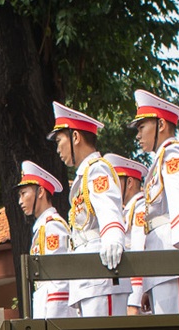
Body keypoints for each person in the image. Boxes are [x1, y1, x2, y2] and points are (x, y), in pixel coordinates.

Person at [127, 88, 179, 314]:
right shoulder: (160, 160)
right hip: (161, 263)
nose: (138, 135)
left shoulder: (173, 153)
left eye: (142, 127)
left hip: (175, 258)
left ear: (161, 125)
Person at [52, 102, 128, 316]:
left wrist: (113, 239)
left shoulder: (97, 170)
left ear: (75, 137)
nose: (58, 149)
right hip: (89, 275)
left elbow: (108, 208)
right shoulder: (84, 175)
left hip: (103, 271)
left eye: (59, 141)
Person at [18, 160, 72, 318]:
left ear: (40, 191)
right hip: (44, 302)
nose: (20, 201)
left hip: (54, 310)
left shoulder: (52, 226)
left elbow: (58, 277)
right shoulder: (43, 226)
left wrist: (53, 317)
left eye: (24, 193)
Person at [105, 151, 149, 313]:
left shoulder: (140, 208)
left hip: (135, 296)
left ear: (129, 182)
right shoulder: (126, 212)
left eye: (115, 181)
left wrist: (134, 301)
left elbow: (139, 254)